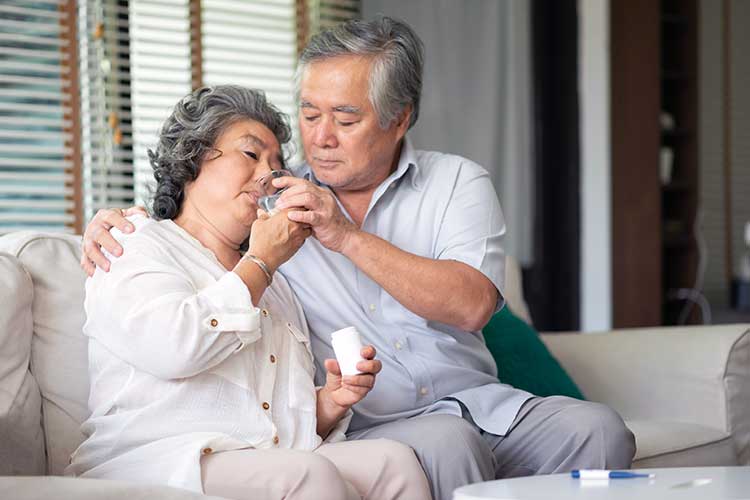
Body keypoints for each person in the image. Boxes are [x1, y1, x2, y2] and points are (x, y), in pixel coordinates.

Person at [81, 17, 636, 500]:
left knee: (600, 429)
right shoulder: (273, 204)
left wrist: (344, 236)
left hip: (478, 402)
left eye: (345, 120)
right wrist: (112, 220)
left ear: (399, 119)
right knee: (444, 442)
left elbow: (471, 307)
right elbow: (196, 205)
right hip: (375, 422)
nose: (319, 140)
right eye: (308, 114)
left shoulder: (455, 183)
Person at [67, 85, 431, 500]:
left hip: (264, 458)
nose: (269, 176)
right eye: (251, 154)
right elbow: (175, 347)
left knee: (393, 462)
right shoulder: (132, 242)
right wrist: (259, 262)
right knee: (307, 475)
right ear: (195, 155)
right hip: (162, 458)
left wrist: (330, 401)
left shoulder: (275, 288)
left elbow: (274, 422)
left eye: (276, 165)